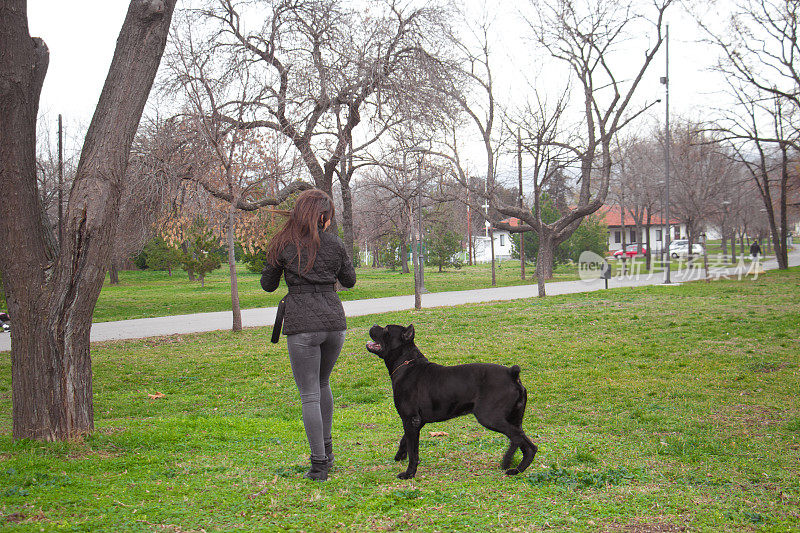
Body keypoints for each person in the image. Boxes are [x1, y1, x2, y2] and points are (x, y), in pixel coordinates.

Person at [260, 189, 356, 481]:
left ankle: (319, 465)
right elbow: (349, 281)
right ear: (324, 217)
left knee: (309, 394)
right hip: (333, 322)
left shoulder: (284, 243)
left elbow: (268, 284)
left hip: (302, 324)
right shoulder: (336, 244)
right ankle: (327, 453)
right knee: (322, 384)